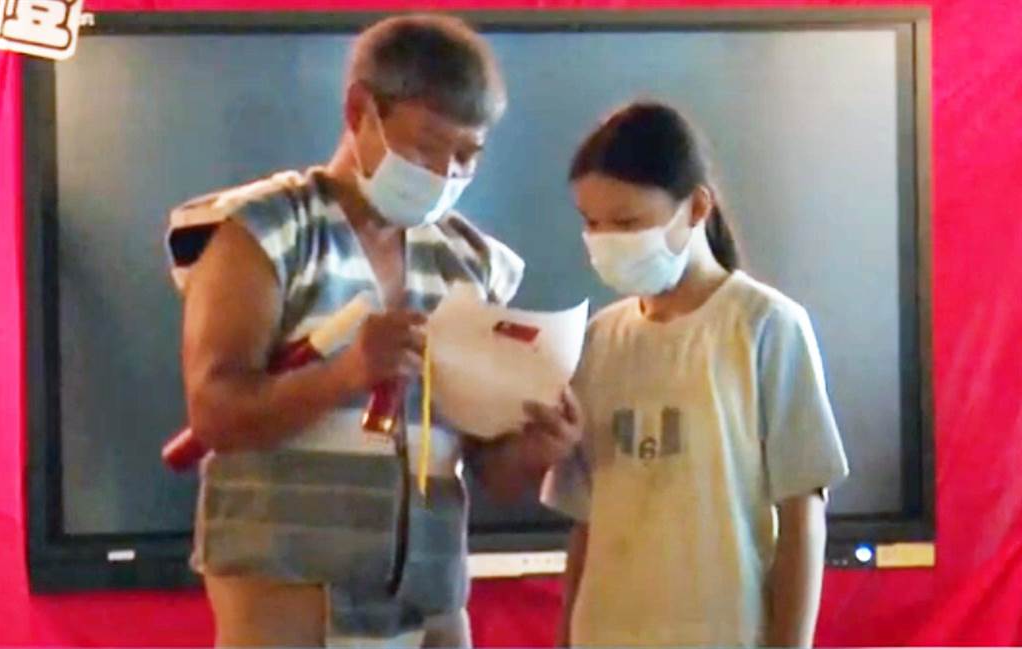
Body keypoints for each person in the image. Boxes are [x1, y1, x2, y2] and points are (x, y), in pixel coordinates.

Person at [165, 15, 577, 648]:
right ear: (360, 111)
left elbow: (481, 465)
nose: (444, 174)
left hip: (431, 601)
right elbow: (214, 412)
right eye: (424, 148)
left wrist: (535, 449)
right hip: (285, 595)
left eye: (466, 156)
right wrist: (344, 376)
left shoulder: (471, 263)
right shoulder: (265, 232)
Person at [531, 102, 850, 647]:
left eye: (627, 222)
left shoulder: (765, 326)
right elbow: (588, 522)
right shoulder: (599, 339)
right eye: (591, 222)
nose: (605, 239)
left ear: (697, 207)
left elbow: (802, 516)